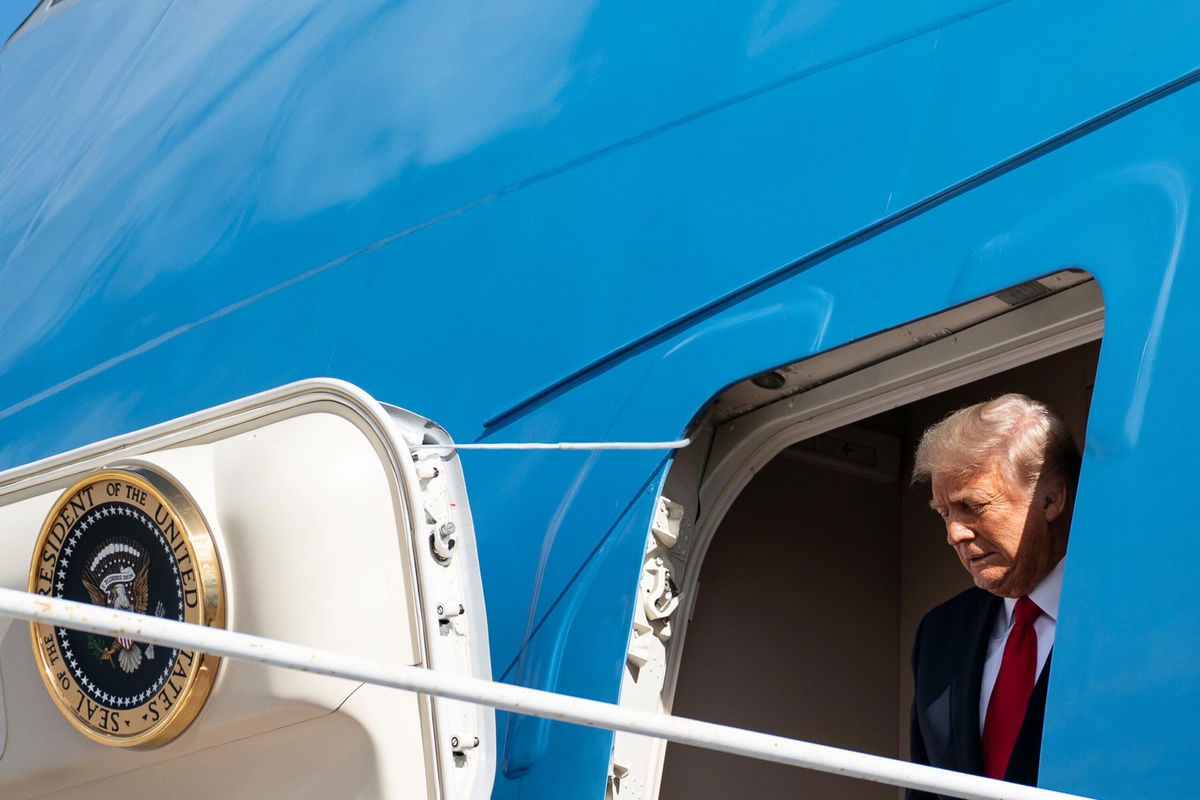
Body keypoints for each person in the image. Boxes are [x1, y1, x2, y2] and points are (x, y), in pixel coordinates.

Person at [908, 393, 1081, 798]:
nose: (954, 533)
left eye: (973, 506)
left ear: (1052, 498)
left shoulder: (1128, 617)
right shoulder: (940, 632)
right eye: (944, 513)